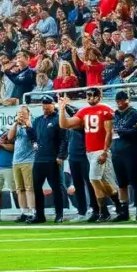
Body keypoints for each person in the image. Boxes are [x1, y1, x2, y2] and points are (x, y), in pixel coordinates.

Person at [58, 88, 122, 222]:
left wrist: (105, 151)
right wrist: (62, 109)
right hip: (89, 152)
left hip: (100, 150)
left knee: (93, 179)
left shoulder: (105, 109)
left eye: (93, 95)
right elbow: (64, 124)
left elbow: (109, 132)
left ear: (99, 96)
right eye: (88, 95)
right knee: (103, 182)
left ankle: (104, 212)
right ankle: (119, 206)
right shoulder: (83, 111)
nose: (90, 97)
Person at [25, 94, 68, 224]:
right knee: (37, 188)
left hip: (52, 158)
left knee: (56, 187)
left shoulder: (58, 119)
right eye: (43, 104)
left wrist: (61, 155)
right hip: (39, 159)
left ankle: (59, 214)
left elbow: (64, 139)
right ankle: (39, 215)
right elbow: (34, 137)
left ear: (52, 104)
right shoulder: (37, 120)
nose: (44, 106)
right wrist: (29, 130)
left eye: (47, 103)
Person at [110, 91, 137, 221]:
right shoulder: (116, 114)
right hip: (117, 151)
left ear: (127, 100)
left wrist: (121, 132)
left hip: (131, 151)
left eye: (122, 100)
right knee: (121, 183)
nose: (119, 103)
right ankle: (124, 211)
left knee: (134, 181)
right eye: (118, 101)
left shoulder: (135, 114)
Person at [7, 107, 36, 222]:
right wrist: (15, 123)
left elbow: (33, 137)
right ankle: (24, 211)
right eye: (19, 113)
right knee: (20, 189)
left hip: (28, 160)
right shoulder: (17, 126)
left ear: (29, 114)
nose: (21, 115)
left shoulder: (31, 124)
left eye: (23, 113)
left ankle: (32, 211)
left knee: (29, 187)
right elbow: (10, 137)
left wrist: (27, 124)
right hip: (16, 160)